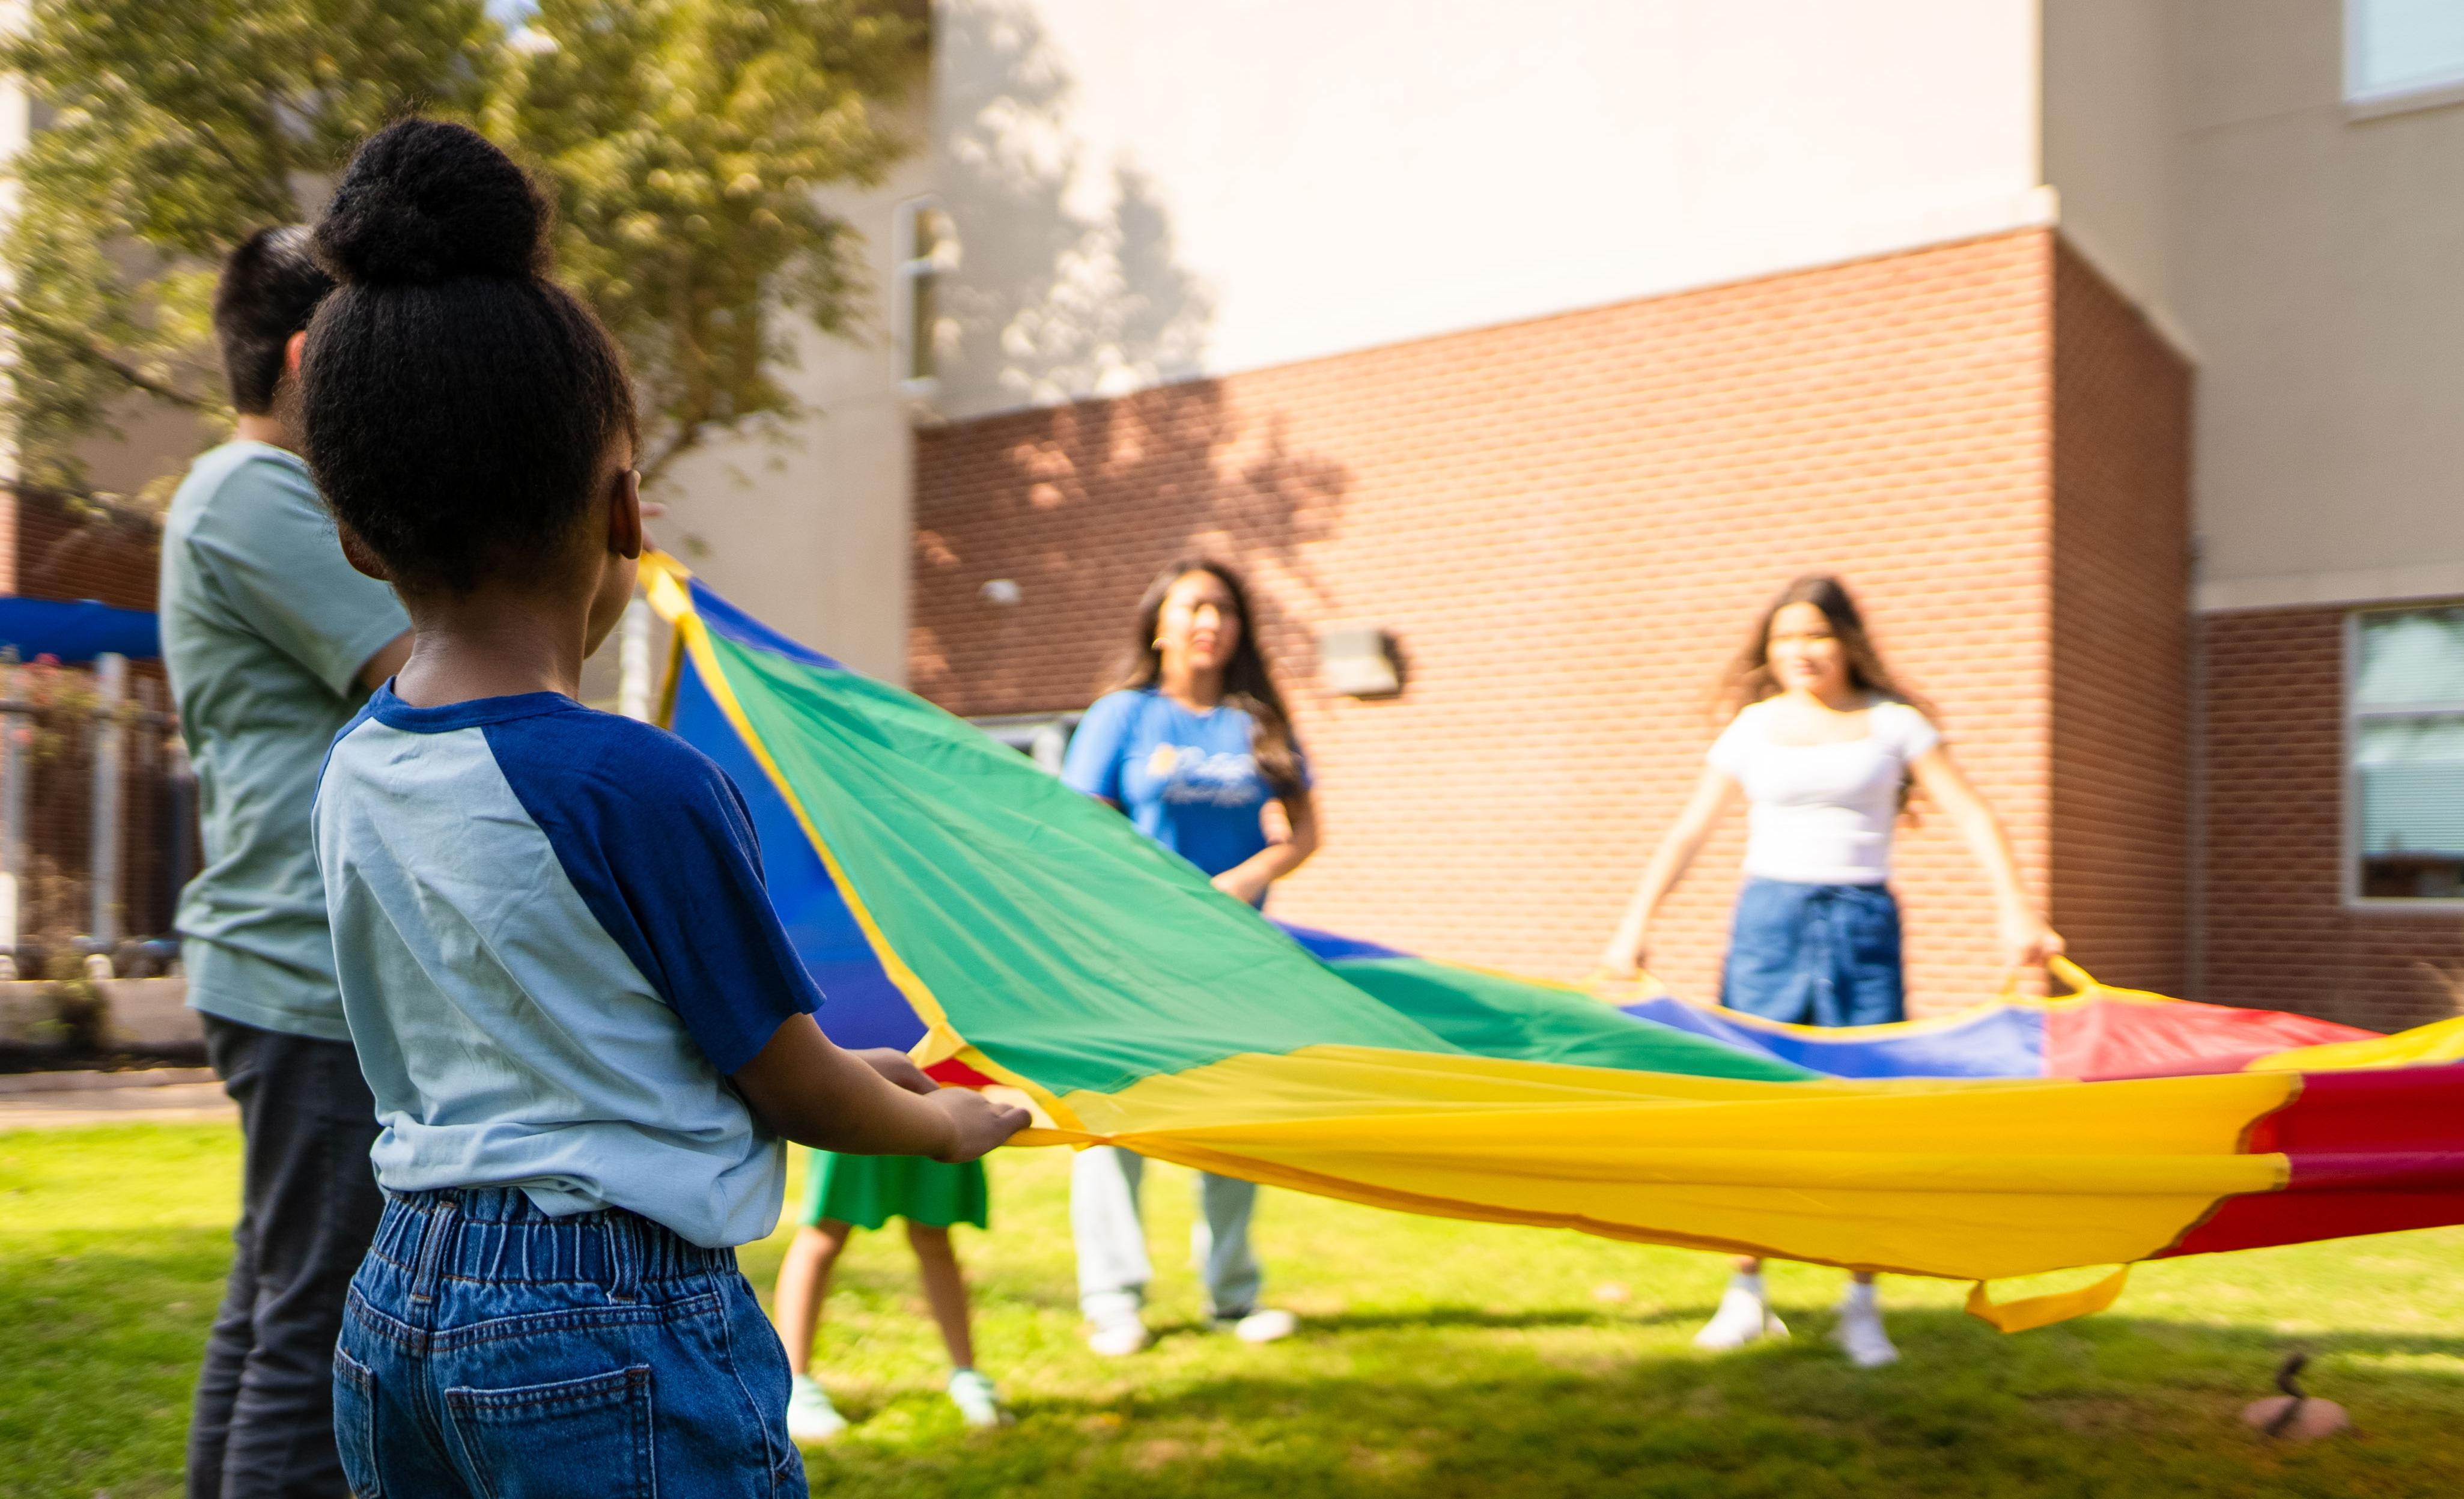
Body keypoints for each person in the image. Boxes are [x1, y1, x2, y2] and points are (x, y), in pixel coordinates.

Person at [295, 119, 1027, 1496]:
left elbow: (567, 1044)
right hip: (603, 1312)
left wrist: (851, 1073)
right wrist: (941, 1123)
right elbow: (786, 1080)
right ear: (626, 507)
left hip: (395, 1302)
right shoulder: (634, 779)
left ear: (354, 536)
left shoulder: (352, 769)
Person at [1598, 574, 2062, 1369]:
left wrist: (2016, 911)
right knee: (1756, 1109)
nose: (1799, 651)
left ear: (1846, 639)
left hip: (1859, 925)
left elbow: (1975, 814)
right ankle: (1745, 1294)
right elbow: (1687, 832)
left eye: (1814, 634)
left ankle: (1860, 1301)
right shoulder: (1751, 728)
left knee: (1861, 1114)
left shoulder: (1893, 724)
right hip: (1767, 926)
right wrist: (1632, 927)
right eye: (1783, 639)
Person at [159, 224, 415, 1499]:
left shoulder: (238, 494)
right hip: (305, 964)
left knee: (273, 1305)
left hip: (290, 954)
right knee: (310, 1330)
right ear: (316, 357)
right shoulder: (254, 493)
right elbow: (423, 664)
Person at [1059, 558, 1317, 1356]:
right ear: (1159, 624)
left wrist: (1247, 877)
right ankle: (1114, 1300)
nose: (1211, 621)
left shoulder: (1257, 720)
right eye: (1195, 606)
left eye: (1226, 609)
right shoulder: (1122, 715)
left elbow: (1305, 832)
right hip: (1132, 956)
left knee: (1234, 1123)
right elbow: (1077, 823)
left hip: (1234, 960)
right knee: (1116, 1121)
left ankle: (1233, 1296)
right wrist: (1150, 889)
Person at [771, 1149, 1003, 1440]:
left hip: (935, 1106)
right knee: (827, 1230)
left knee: (934, 1229)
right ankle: (795, 1386)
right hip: (856, 1111)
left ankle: (967, 1375)